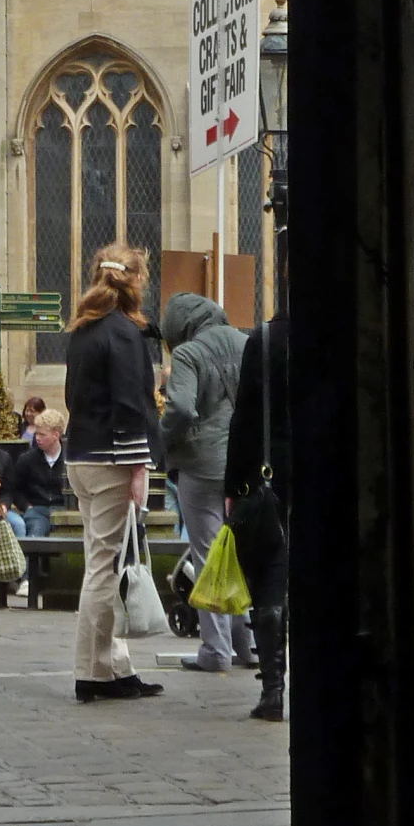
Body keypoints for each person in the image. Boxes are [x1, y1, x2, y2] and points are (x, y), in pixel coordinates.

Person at [65, 244, 165, 704]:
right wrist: (139, 465)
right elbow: (130, 404)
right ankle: (92, 671)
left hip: (82, 455)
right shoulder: (124, 333)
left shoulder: (83, 330)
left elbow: (73, 398)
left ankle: (114, 665)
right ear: (135, 280)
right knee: (103, 569)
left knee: (102, 561)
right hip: (112, 458)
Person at [159, 290, 255, 676]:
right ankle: (247, 645)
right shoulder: (247, 343)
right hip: (244, 463)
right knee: (241, 555)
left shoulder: (188, 353)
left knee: (208, 554)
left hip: (201, 465)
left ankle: (216, 649)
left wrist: (163, 436)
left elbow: (181, 407)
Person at [224, 311, 291, 721]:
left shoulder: (266, 340)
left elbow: (245, 418)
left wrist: (232, 486)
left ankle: (273, 689)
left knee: (269, 577)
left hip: (268, 478)